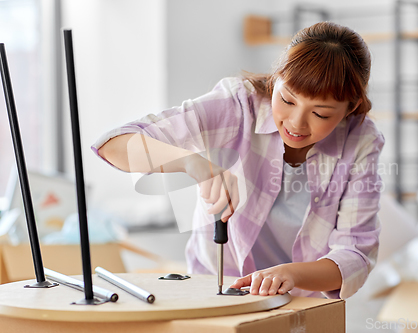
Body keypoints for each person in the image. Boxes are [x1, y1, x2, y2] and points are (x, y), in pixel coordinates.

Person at [93, 21, 384, 299]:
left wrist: (291, 275)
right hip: (214, 286)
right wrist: (191, 162)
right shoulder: (238, 106)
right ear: (275, 80)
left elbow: (355, 254)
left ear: (351, 107)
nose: (297, 123)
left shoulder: (360, 140)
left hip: (301, 300)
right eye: (287, 100)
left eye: (320, 114)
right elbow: (115, 144)